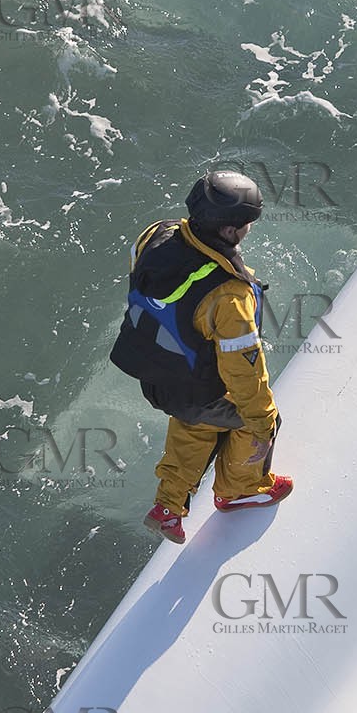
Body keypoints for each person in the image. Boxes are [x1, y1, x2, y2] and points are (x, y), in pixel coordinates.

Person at [109, 170, 293, 543]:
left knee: (196, 423)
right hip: (198, 385)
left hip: (158, 376)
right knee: (254, 421)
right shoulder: (228, 296)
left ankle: (168, 507)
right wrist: (261, 421)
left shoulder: (155, 234)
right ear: (228, 231)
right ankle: (240, 491)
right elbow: (243, 369)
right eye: (246, 223)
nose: (248, 230)